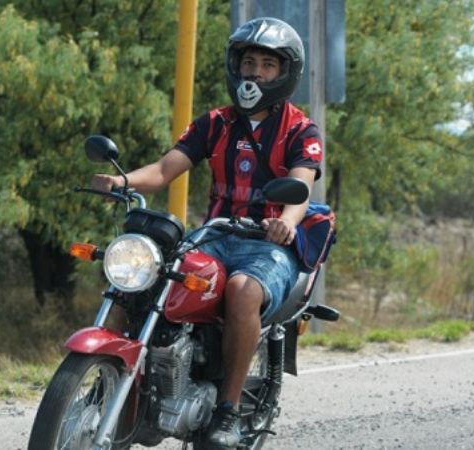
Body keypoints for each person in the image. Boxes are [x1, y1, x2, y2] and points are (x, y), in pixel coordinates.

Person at [92, 17, 323, 449]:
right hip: (215, 235)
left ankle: (227, 411)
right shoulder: (215, 123)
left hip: (267, 246)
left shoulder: (300, 130)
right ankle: (117, 390)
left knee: (242, 290)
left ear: (284, 72)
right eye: (249, 61)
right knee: (140, 279)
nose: (255, 72)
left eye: (267, 65)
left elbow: (302, 186)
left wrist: (286, 222)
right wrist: (120, 182)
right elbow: (163, 170)